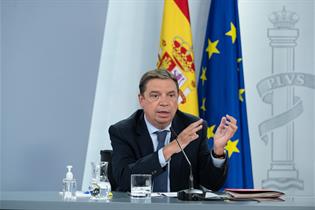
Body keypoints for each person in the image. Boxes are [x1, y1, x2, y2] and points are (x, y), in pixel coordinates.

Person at [108, 69, 237, 192]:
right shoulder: (123, 131)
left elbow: (212, 184)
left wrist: (218, 150)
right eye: (155, 96)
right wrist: (170, 148)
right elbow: (124, 181)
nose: (164, 102)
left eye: (171, 95)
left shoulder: (193, 127)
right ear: (142, 100)